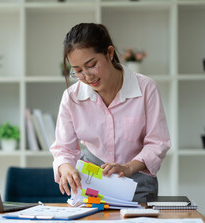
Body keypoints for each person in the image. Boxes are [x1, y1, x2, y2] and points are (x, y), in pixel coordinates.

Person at [50, 23, 171, 203]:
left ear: (110, 53)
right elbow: (64, 148)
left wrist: (128, 168)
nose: (87, 76)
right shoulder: (71, 97)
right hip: (90, 184)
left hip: (137, 184)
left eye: (91, 65)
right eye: (78, 71)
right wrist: (65, 167)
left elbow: (157, 143)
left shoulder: (146, 89)